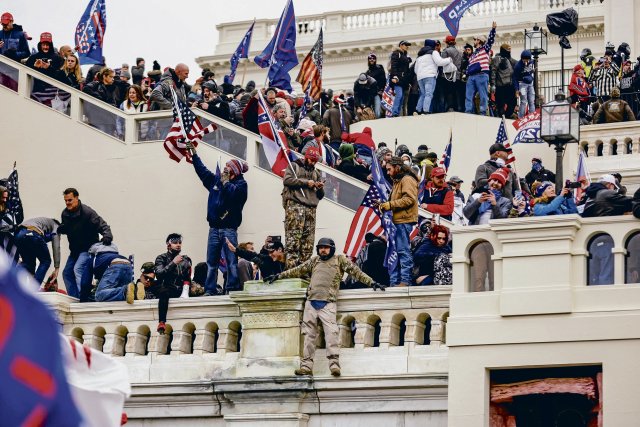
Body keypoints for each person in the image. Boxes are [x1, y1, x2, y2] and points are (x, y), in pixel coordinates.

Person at [265, 237, 386, 376]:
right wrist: (278, 276)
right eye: (321, 247)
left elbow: (356, 272)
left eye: (326, 247)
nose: (323, 250)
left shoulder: (340, 260)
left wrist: (372, 283)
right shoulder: (314, 261)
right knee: (309, 336)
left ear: (332, 248)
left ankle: (334, 365)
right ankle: (306, 367)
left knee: (331, 335)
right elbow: (297, 270)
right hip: (311, 303)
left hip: (328, 303)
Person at [188, 143, 248, 295]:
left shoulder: (241, 185)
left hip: (229, 229)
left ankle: (232, 288)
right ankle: (210, 289)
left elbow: (234, 195)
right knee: (211, 262)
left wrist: (226, 182)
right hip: (214, 228)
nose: (224, 170)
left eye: (228, 168)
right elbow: (202, 172)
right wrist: (194, 155)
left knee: (231, 262)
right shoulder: (216, 181)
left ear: (234, 171)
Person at [58, 188, 112, 301]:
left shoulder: (87, 213)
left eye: (70, 200)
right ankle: (75, 298)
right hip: (75, 251)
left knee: (78, 269)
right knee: (67, 273)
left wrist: (107, 236)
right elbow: (67, 227)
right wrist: (62, 228)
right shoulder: (65, 214)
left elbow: (102, 225)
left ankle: (85, 297)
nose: (67, 203)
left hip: (88, 248)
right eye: (66, 201)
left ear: (77, 198)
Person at [378, 157, 419, 287]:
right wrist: (383, 205)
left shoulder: (407, 179)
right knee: (395, 252)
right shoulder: (398, 180)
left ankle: (405, 281)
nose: (388, 172)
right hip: (397, 222)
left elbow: (409, 199)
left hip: (403, 221)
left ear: (397, 167)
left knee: (403, 251)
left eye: (389, 169)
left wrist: (389, 205)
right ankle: (395, 282)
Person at [282, 147, 325, 268]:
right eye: (311, 160)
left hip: (311, 209)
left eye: (315, 161)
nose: (313, 163)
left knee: (308, 244)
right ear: (306, 157)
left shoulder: (316, 173)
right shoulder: (295, 166)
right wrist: (306, 182)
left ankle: (303, 271)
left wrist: (320, 187)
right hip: (296, 206)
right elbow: (287, 180)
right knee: (293, 240)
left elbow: (321, 196)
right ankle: (291, 270)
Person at [155, 233, 192, 334]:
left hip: (181, 289)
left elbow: (187, 278)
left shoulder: (185, 260)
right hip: (167, 288)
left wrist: (186, 290)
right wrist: (173, 263)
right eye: (175, 242)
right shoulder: (161, 258)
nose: (178, 244)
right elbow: (159, 274)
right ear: (168, 244)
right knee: (163, 292)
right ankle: (162, 322)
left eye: (180, 242)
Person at [14, 217, 60, 285]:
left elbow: (38, 244)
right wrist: (57, 268)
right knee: (46, 261)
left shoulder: (41, 222)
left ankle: (9, 279)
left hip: (18, 235)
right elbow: (56, 245)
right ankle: (34, 289)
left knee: (28, 264)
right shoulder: (56, 226)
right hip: (32, 233)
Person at [465, 22, 497, 115]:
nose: (474, 41)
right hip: (471, 76)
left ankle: (483, 112)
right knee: (468, 95)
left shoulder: (485, 49)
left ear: (479, 41)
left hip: (482, 75)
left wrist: (493, 29)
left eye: (475, 39)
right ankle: (468, 112)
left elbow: (490, 40)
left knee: (483, 95)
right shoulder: (472, 55)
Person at [414, 39, 452, 115]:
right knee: (429, 94)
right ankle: (425, 111)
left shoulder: (419, 56)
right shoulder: (433, 52)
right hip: (430, 75)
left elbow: (415, 69)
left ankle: (417, 110)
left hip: (420, 77)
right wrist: (449, 59)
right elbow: (439, 62)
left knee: (423, 94)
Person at [490, 43, 517, 118]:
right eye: (508, 50)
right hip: (500, 86)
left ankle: (507, 116)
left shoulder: (511, 60)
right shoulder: (496, 59)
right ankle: (502, 117)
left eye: (510, 49)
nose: (509, 51)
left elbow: (517, 67)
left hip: (510, 86)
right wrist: (493, 84)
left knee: (513, 103)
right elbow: (493, 71)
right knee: (500, 105)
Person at [440, 35, 464, 112]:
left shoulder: (445, 51)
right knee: (456, 92)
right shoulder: (460, 53)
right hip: (457, 75)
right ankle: (457, 108)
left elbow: (442, 63)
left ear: (447, 42)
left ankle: (450, 107)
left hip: (448, 76)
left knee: (449, 92)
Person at [389, 40, 413, 117]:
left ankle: (397, 113)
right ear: (401, 45)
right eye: (406, 45)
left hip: (404, 80)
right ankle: (395, 113)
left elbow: (406, 70)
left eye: (408, 45)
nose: (407, 47)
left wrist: (409, 81)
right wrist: (395, 77)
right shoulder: (396, 54)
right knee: (399, 95)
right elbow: (394, 66)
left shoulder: (405, 55)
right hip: (398, 79)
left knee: (402, 97)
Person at [512, 50, 536, 118]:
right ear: (522, 58)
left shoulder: (531, 62)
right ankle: (521, 117)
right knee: (523, 101)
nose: (526, 61)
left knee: (531, 101)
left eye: (528, 59)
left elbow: (532, 66)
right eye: (525, 59)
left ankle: (532, 116)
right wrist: (516, 89)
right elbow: (515, 78)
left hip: (530, 84)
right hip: (522, 84)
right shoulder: (518, 66)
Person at [365, 53, 386, 117]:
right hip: (370, 94)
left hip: (377, 93)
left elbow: (383, 80)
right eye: (370, 59)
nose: (372, 60)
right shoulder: (367, 72)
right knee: (371, 110)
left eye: (373, 58)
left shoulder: (379, 68)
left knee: (377, 111)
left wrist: (381, 90)